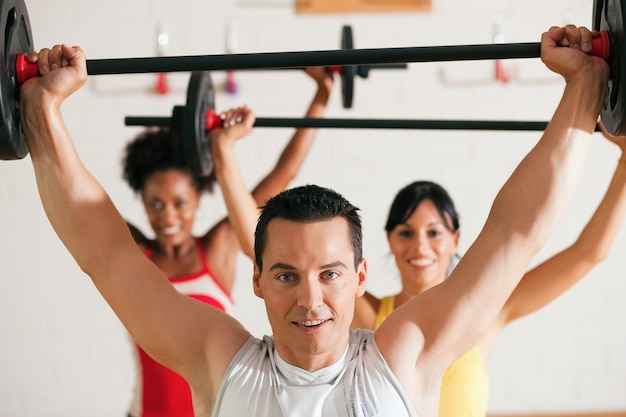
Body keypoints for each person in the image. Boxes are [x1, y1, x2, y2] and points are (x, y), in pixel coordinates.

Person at [19, 25, 608, 417]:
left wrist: (583, 90)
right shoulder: (220, 359)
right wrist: (42, 112)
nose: (310, 299)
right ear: (256, 280)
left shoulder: (403, 356)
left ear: (357, 275)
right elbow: (108, 256)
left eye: (329, 274)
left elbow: (514, 232)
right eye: (285, 275)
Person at [351, 120, 626, 417]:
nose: (420, 246)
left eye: (434, 233)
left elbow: (589, 253)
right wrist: (320, 99)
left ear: (455, 239)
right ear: (389, 240)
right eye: (406, 233)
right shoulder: (367, 315)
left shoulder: (488, 312)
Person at [119, 67, 333, 417]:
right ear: (141, 202)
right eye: (155, 204)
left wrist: (321, 96)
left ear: (198, 200)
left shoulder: (217, 248)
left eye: (179, 203)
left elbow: (285, 172)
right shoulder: (133, 255)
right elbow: (77, 198)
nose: (168, 216)